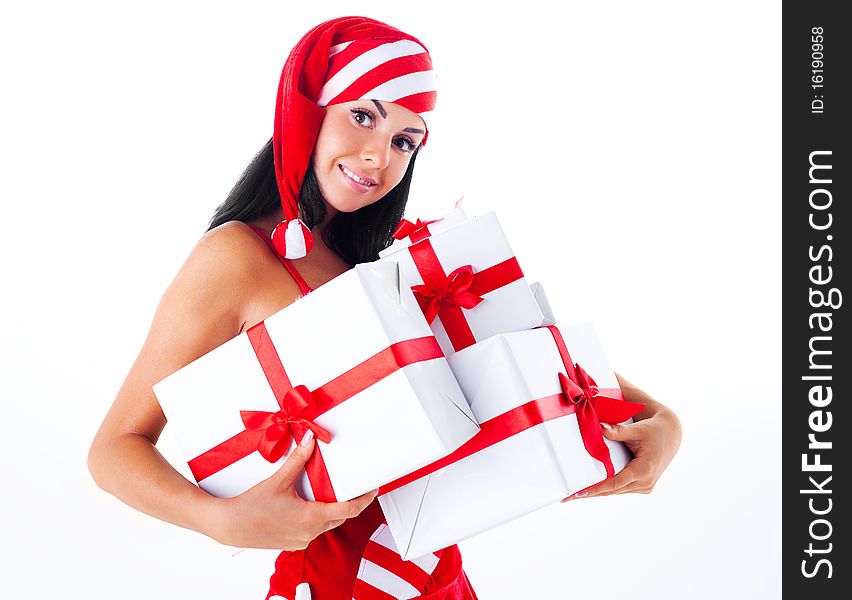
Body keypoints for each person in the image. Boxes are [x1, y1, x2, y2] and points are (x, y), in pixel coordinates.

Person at [87, 15, 682, 600]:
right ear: (309, 114)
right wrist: (219, 521)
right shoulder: (238, 258)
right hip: (334, 582)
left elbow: (522, 354)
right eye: (362, 116)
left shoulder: (377, 263)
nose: (378, 155)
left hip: (431, 573)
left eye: (403, 139)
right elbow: (114, 448)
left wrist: (664, 423)